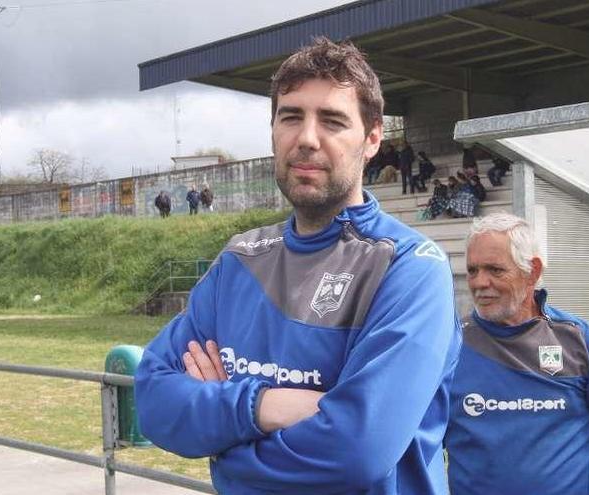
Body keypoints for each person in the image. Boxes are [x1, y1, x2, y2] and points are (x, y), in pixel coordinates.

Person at [135, 36, 461, 495]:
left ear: (372, 139)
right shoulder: (238, 262)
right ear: (273, 130)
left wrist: (226, 450)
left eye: (332, 121)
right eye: (291, 117)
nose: (307, 139)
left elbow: (356, 451)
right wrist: (262, 405)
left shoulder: (410, 268)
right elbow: (153, 401)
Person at [445, 212, 589, 495]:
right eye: (473, 270)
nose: (479, 283)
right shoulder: (449, 346)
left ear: (533, 271)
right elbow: (418, 446)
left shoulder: (584, 343)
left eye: (495, 270)